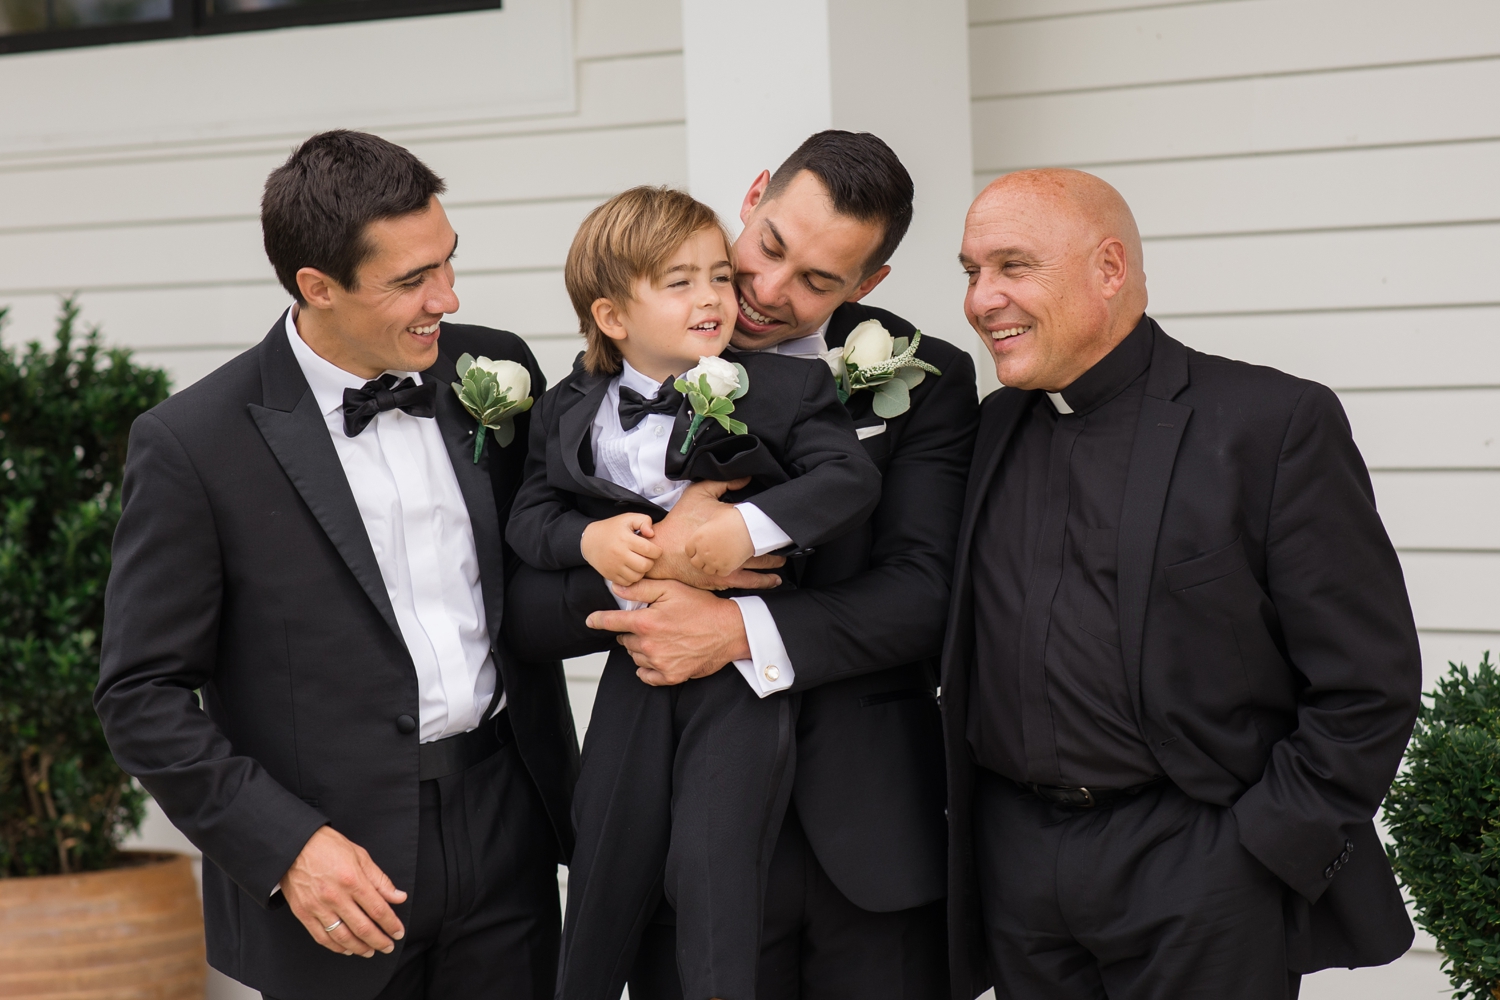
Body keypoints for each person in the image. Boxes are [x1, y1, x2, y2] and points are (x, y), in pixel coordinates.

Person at [95, 130, 574, 1000]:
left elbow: (549, 557)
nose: (448, 296)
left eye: (448, 262)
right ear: (316, 286)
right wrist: (285, 846)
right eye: (411, 281)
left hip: (510, 825)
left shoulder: (493, 370)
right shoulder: (192, 444)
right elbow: (140, 694)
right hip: (336, 875)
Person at [512, 130, 979, 1000]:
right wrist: (648, 566)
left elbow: (927, 595)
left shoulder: (930, 379)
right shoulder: (608, 382)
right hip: (675, 831)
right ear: (755, 194)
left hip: (865, 846)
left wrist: (734, 629)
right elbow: (527, 613)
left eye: (817, 282)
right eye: (767, 247)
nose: (766, 293)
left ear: (867, 287)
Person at [942, 168, 1423, 1000]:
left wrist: (1255, 854)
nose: (983, 300)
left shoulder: (1271, 424)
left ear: (1109, 268)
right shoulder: (985, 433)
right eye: (971, 272)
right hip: (1019, 870)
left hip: (1199, 869)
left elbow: (1368, 683)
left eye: (1013, 267)